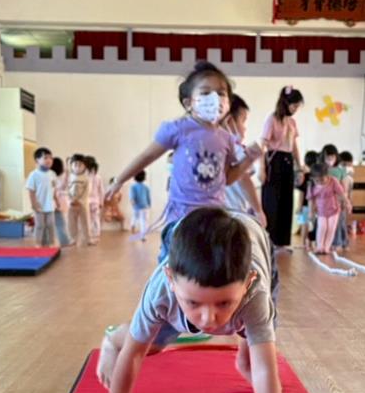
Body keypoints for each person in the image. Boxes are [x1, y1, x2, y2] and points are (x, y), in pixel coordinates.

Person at [88, 207, 288, 393]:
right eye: (194, 303)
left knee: (253, 355)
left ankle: (240, 348)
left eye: (223, 303)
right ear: (171, 279)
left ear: (247, 283)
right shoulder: (162, 290)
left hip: (255, 240)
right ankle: (112, 338)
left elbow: (266, 370)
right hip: (182, 238)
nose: (208, 319)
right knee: (152, 345)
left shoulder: (256, 294)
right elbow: (134, 353)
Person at [105, 61, 261, 260]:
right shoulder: (179, 129)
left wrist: (249, 159)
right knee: (174, 261)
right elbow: (147, 156)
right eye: (205, 92)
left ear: (228, 102)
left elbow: (228, 178)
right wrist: (119, 180)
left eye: (221, 93)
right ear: (188, 103)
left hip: (214, 216)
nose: (215, 98)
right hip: (181, 215)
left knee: (206, 263)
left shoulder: (226, 139)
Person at [261, 86, 304, 251]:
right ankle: (270, 241)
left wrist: (300, 167)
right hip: (274, 160)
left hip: (288, 161)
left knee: (287, 201)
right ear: (286, 103)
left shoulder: (292, 122)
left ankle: (283, 242)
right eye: (294, 105)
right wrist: (261, 168)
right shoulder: (272, 119)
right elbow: (263, 144)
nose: (296, 109)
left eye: (298, 106)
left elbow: (294, 146)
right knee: (272, 201)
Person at [222, 95, 263, 217]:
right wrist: (258, 210)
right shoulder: (235, 148)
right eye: (243, 121)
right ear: (229, 121)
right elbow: (244, 179)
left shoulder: (215, 146)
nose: (245, 128)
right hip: (234, 212)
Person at [308, 162, 351, 255]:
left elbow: (341, 193)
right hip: (321, 212)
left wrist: (347, 203)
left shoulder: (333, 181)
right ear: (313, 178)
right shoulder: (312, 185)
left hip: (333, 210)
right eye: (317, 180)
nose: (320, 182)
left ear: (327, 175)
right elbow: (311, 200)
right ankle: (320, 246)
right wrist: (310, 212)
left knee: (331, 228)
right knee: (322, 228)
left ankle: (326, 247)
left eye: (322, 180)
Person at [25, 146, 56, 247]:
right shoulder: (34, 174)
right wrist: (34, 204)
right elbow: (31, 191)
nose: (49, 160)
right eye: (45, 158)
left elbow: (54, 189)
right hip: (39, 205)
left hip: (50, 205)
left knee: (50, 225)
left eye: (50, 158)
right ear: (37, 160)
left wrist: (57, 201)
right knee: (40, 225)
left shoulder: (52, 174)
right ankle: (38, 243)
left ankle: (51, 243)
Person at [67, 153, 92, 246]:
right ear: (71, 165)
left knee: (85, 221)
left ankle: (88, 238)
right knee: (71, 222)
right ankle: (73, 239)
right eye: (75, 164)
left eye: (80, 164)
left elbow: (87, 191)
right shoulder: (68, 178)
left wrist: (80, 201)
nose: (77, 166)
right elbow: (66, 190)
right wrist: (70, 200)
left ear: (85, 166)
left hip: (83, 204)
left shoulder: (86, 178)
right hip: (71, 204)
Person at [296, 150, 318, 249]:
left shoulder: (304, 177)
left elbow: (301, 193)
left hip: (304, 205)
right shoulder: (318, 176)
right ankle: (313, 243)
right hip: (316, 205)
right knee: (314, 224)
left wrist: (299, 206)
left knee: (304, 224)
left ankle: (303, 243)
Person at [49, 157, 72, 247]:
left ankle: (52, 242)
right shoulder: (64, 175)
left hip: (54, 200)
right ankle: (64, 241)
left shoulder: (50, 176)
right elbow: (65, 185)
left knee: (53, 222)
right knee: (61, 222)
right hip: (61, 199)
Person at [87, 156, 105, 243]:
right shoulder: (98, 177)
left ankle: (90, 235)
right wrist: (101, 202)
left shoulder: (85, 177)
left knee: (88, 219)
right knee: (95, 218)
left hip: (87, 202)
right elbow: (102, 191)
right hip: (96, 202)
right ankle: (97, 234)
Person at [130, 171, 151, 238]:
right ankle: (143, 235)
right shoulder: (146, 187)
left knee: (135, 217)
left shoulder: (133, 187)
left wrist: (133, 204)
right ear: (144, 177)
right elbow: (148, 198)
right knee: (143, 221)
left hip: (136, 206)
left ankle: (132, 226)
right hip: (145, 206)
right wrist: (149, 205)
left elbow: (132, 197)